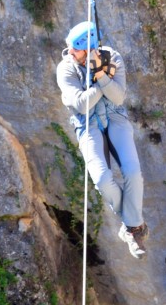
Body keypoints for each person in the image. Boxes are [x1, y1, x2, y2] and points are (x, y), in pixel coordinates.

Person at [56, 21, 148, 258]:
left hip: (115, 119)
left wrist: (100, 74)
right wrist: (101, 80)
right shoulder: (66, 69)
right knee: (102, 180)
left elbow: (117, 98)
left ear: (88, 48)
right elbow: (81, 104)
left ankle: (133, 229)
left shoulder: (112, 57)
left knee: (133, 173)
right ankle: (133, 224)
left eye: (75, 49)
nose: (69, 53)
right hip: (88, 126)